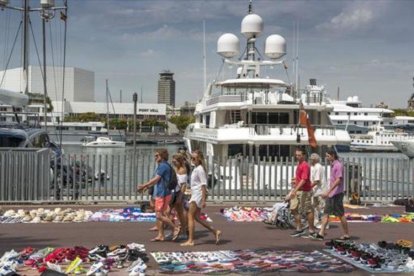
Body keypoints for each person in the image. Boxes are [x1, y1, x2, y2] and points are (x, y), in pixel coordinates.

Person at [137, 148, 180, 241]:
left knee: (159, 215)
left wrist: (144, 185)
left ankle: (175, 228)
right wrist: (147, 187)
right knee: (162, 214)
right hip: (164, 193)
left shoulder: (162, 166)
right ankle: (161, 235)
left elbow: (156, 179)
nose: (155, 157)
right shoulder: (164, 165)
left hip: (162, 194)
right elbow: (158, 181)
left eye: (157, 155)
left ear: (162, 156)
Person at [180, 149, 221, 246]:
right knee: (197, 217)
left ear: (199, 159)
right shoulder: (196, 168)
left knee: (190, 216)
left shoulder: (200, 169)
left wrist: (203, 200)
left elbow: (203, 185)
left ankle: (191, 240)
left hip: (197, 195)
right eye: (191, 158)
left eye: (194, 158)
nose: (192, 160)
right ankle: (215, 231)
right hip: (195, 193)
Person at [312, 149, 350, 241]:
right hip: (331, 194)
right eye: (326, 156)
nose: (327, 158)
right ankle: (321, 233)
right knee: (326, 213)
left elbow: (338, 180)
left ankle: (346, 234)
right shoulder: (333, 165)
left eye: (328, 156)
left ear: (333, 155)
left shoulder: (338, 165)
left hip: (337, 193)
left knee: (340, 214)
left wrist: (328, 191)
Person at [285, 147, 316, 238]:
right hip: (298, 189)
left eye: (299, 155)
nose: (297, 157)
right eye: (296, 155)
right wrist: (295, 182)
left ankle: (311, 230)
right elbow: (300, 178)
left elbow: (304, 179)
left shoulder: (305, 165)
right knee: (293, 209)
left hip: (304, 191)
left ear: (304, 155)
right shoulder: (299, 164)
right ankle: (299, 228)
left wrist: (294, 190)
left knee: (308, 210)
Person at [170, 153, 188, 237]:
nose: (173, 162)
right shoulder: (174, 168)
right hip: (173, 191)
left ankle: (184, 231)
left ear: (179, 161)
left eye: (175, 161)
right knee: (169, 212)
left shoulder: (182, 170)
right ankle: (174, 230)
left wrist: (180, 196)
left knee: (180, 213)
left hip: (179, 192)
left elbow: (184, 184)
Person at [310, 153, 327, 229]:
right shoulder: (314, 167)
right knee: (316, 208)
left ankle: (322, 224)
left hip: (320, 191)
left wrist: (308, 187)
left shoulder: (318, 167)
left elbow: (316, 181)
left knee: (321, 208)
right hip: (316, 192)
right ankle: (317, 223)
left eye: (311, 159)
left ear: (314, 160)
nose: (310, 160)